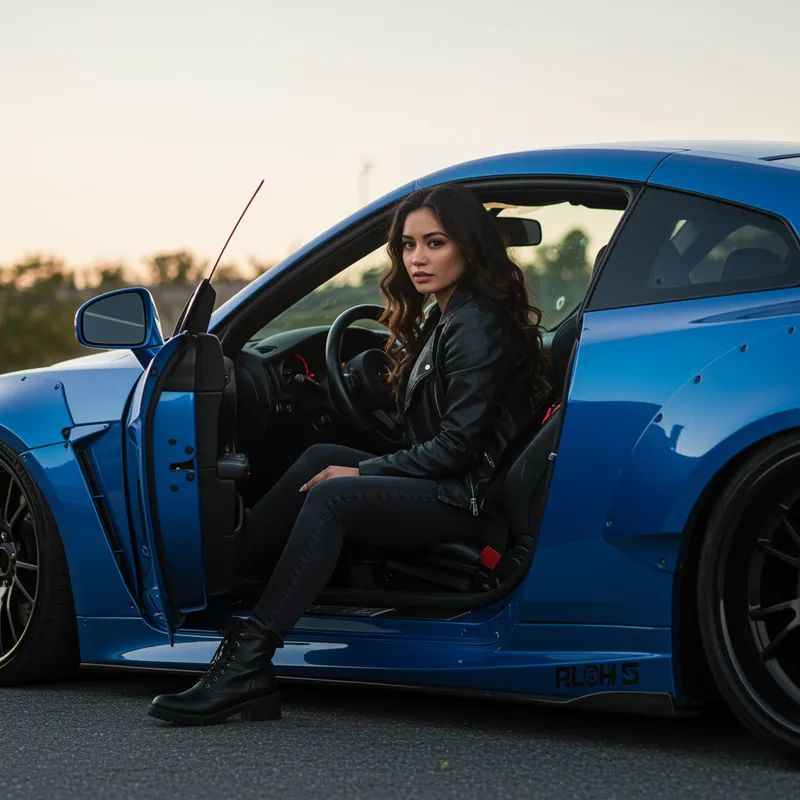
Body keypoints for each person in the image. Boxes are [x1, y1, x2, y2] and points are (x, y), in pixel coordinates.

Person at [148, 183, 550, 725]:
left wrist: (363, 469)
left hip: (468, 500)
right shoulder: (449, 314)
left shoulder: (475, 324)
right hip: (457, 483)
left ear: (468, 245)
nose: (417, 259)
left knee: (333, 494)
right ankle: (228, 580)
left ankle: (248, 662)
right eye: (408, 246)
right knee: (320, 456)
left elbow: (457, 448)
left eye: (435, 243)